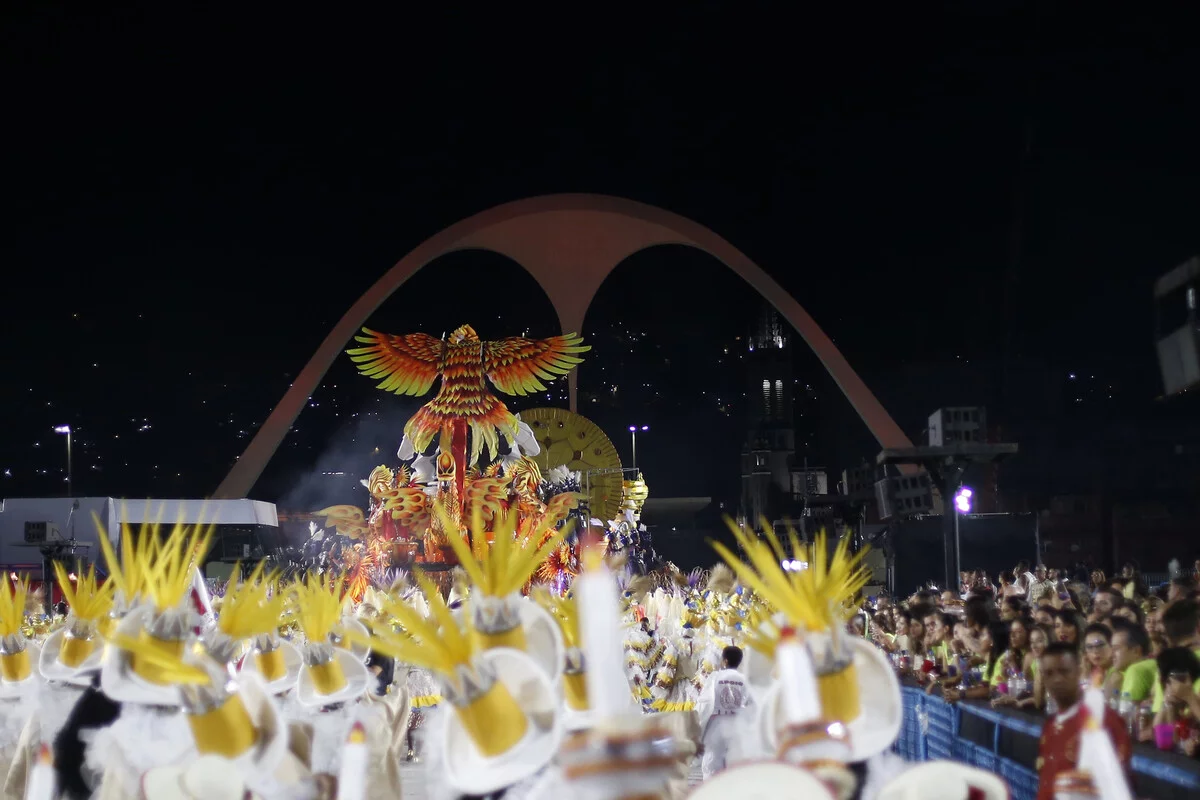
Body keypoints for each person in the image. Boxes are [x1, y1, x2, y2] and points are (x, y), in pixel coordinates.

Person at [1035, 642, 1131, 800]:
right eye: (1049, 673)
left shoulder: (1102, 720)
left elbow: (1118, 785)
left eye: (1064, 671)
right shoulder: (1050, 726)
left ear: (1079, 672)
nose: (1057, 679)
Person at [696, 645, 754, 780]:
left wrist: (698, 724)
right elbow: (752, 705)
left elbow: (704, 703)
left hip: (716, 724)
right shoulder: (744, 679)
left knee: (712, 763)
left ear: (725, 660)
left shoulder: (715, 677)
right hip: (736, 724)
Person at [1110, 617, 1155, 704]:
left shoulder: (1136, 670)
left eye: (1116, 649)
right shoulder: (1150, 664)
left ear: (1136, 651)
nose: (1111, 655)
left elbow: (1125, 711)